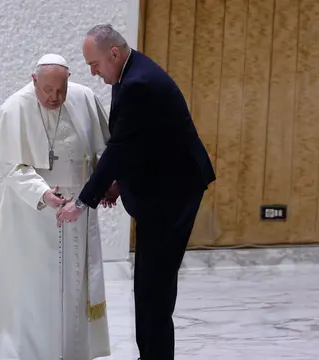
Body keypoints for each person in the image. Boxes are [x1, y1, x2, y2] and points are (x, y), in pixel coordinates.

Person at [57, 25, 216, 360]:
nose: (93, 71)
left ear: (113, 53)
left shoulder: (139, 83)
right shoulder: (128, 75)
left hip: (172, 194)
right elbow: (138, 142)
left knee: (153, 290)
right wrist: (117, 183)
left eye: (94, 64)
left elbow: (118, 148)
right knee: (147, 286)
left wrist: (84, 201)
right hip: (161, 189)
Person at [0, 53, 111, 360]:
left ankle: (72, 351)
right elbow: (11, 166)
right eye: (47, 91)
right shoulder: (15, 108)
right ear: (34, 81)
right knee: (34, 286)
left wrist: (105, 183)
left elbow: (103, 150)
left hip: (77, 207)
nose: (54, 98)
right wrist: (43, 195)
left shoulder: (84, 99)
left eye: (60, 90)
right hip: (31, 213)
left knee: (75, 283)